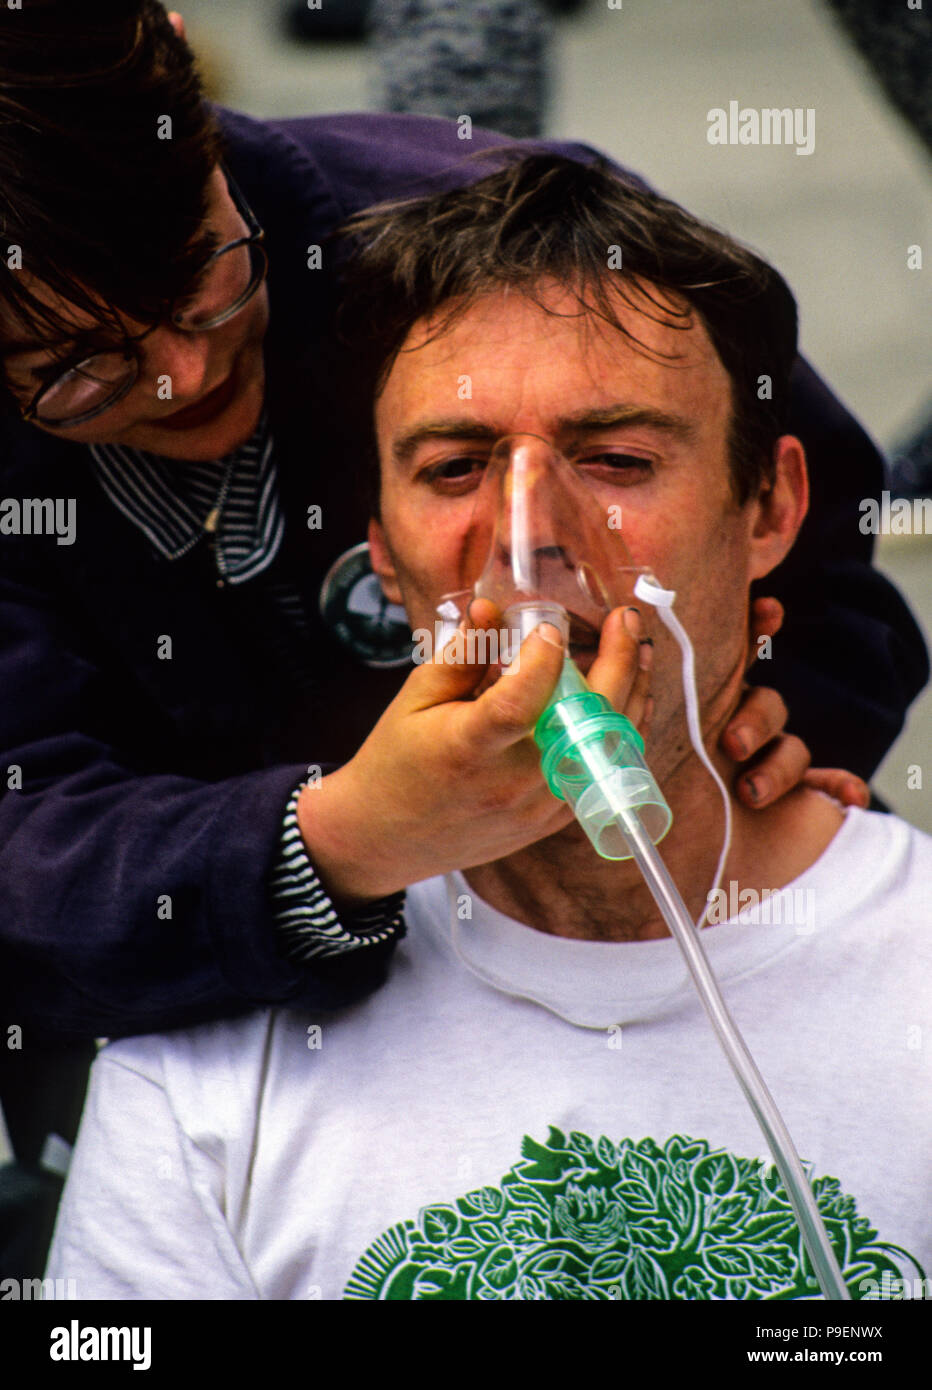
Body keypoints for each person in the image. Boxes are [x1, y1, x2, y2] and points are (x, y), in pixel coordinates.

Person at [45, 156, 932, 1301]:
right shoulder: (205, 1074)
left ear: (767, 508)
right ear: (381, 551)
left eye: (616, 459)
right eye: (456, 467)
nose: (528, 543)